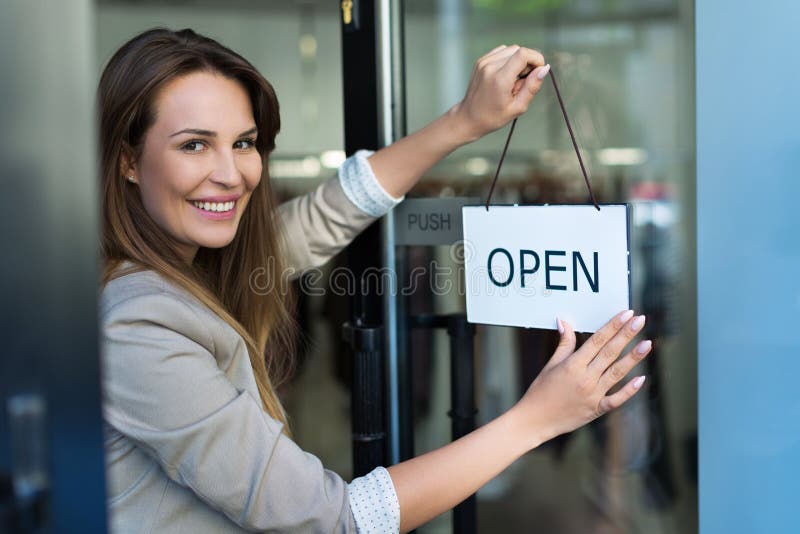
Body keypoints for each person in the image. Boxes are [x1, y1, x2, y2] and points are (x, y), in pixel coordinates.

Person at [99, 28, 652, 533]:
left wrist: (464, 120)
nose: (230, 173)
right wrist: (534, 420)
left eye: (243, 143)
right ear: (128, 160)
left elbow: (324, 215)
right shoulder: (137, 321)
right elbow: (328, 518)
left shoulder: (195, 266)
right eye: (194, 144)